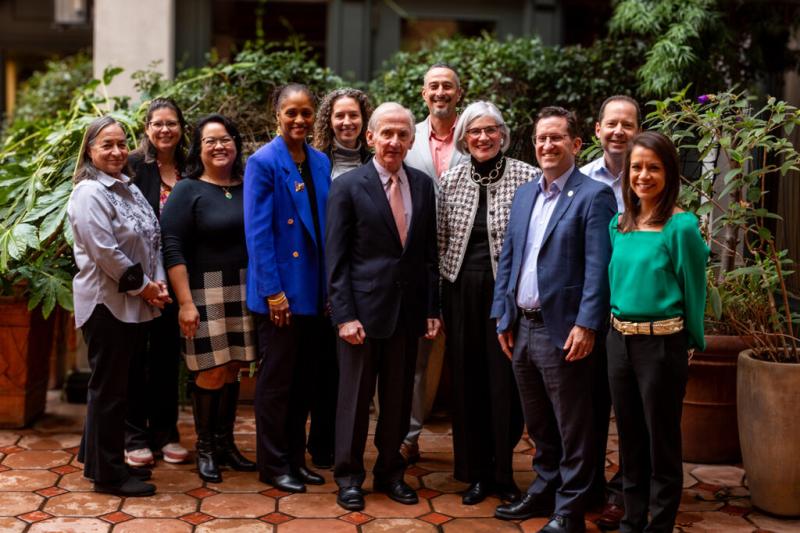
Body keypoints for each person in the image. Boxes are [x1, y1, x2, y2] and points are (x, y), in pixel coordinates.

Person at [491, 106, 616, 533]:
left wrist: (587, 324)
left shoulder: (593, 195)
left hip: (563, 330)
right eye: (541, 138)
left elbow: (599, 267)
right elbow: (509, 258)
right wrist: (502, 315)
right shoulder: (525, 193)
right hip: (522, 327)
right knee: (538, 420)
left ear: (576, 144)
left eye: (557, 138)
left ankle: (570, 508)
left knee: (573, 425)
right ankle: (545, 487)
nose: (547, 145)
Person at [326, 102, 440, 512]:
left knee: (397, 401)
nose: (394, 141)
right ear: (370, 137)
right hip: (361, 314)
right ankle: (349, 478)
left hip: (407, 314)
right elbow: (335, 259)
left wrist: (432, 308)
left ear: (412, 140)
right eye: (386, 133)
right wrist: (344, 316)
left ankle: (391, 472)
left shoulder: (424, 186)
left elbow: (428, 255)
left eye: (402, 134)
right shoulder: (347, 186)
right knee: (353, 402)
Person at [606, 131, 708, 533]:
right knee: (629, 441)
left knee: (661, 442)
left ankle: (659, 525)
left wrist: (689, 344)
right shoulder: (621, 224)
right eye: (636, 167)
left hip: (662, 344)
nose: (643, 175)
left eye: (653, 167)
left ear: (669, 173)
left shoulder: (681, 227)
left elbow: (694, 289)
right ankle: (632, 521)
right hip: (619, 341)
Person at [437, 101, 538, 505]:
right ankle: (476, 474)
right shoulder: (450, 179)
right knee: (467, 383)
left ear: (503, 135)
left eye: (490, 130)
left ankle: (503, 472)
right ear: (463, 137)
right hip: (460, 291)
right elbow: (440, 239)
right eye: (474, 131)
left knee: (505, 384)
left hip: (505, 294)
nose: (482, 137)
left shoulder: (526, 177)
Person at [68, 116, 170, 497]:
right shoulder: (89, 193)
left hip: (135, 301)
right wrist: (146, 288)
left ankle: (99, 459)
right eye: (106, 145)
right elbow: (106, 254)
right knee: (109, 391)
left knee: (118, 388)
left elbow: (152, 238)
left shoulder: (126, 187)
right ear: (90, 151)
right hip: (106, 304)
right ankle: (108, 476)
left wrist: (156, 281)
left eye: (120, 143)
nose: (115, 151)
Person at [244, 83, 333, 493]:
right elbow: (258, 234)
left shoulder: (318, 161)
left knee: (304, 383)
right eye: (291, 113)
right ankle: (273, 463)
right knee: (277, 383)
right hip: (280, 292)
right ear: (277, 115)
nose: (299, 120)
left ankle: (296, 460)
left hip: (314, 291)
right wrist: (272, 293)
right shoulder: (263, 162)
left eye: (306, 113)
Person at [160, 114, 257, 484]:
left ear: (236, 142)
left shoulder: (249, 185)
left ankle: (226, 445)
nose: (220, 146)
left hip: (245, 286)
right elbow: (172, 248)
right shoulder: (187, 190)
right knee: (211, 370)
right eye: (210, 141)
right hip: (203, 289)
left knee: (233, 367)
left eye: (226, 138)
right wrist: (185, 303)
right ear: (198, 149)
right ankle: (205, 448)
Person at [400, 62, 469, 465]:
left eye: (447, 86)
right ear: (423, 94)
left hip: (465, 262)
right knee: (416, 355)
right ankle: (407, 435)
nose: (440, 92)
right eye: (433, 87)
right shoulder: (409, 138)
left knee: (459, 353)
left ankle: (472, 442)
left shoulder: (475, 134)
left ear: (458, 93)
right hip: (418, 260)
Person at [579, 94, 641, 530]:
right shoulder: (581, 180)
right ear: (597, 129)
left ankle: (628, 490)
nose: (618, 131)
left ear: (638, 130)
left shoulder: (649, 178)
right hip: (591, 310)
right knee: (591, 403)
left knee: (633, 408)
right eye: (611, 124)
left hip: (637, 311)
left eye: (627, 124)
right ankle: (591, 485)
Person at [124, 97, 190, 468]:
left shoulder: (189, 167)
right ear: (147, 128)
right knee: (136, 357)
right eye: (158, 123)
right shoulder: (134, 165)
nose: (165, 130)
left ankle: (167, 431)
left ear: (181, 128)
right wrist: (144, 281)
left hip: (178, 279)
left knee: (167, 359)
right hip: (140, 280)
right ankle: (135, 433)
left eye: (172, 123)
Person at [313, 87, 373, 180]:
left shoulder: (375, 163)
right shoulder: (314, 161)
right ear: (330, 122)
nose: (347, 122)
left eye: (353, 115)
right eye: (339, 116)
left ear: (363, 120)